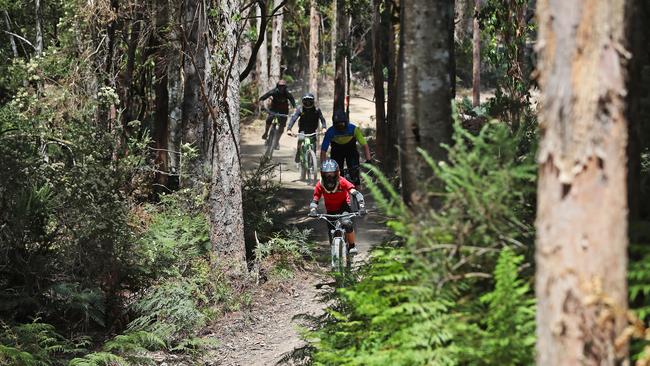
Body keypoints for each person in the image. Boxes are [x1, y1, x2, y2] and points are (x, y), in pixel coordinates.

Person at [309, 159, 366, 254]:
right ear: (322, 174)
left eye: (332, 174)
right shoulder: (320, 185)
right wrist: (313, 210)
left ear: (337, 173)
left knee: (347, 223)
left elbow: (355, 193)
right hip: (330, 210)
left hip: (344, 207)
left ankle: (352, 246)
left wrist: (362, 206)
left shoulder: (342, 181)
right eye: (327, 175)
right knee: (331, 232)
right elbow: (315, 199)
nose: (329, 177)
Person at [320, 110, 372, 186]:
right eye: (338, 124)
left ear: (346, 122)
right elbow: (323, 151)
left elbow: (365, 145)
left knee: (355, 175)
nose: (340, 126)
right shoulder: (330, 131)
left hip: (351, 152)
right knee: (336, 176)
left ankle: (358, 195)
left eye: (342, 123)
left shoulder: (353, 129)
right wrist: (323, 167)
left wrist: (369, 160)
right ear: (334, 124)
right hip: (337, 152)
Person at [287, 93, 327, 162]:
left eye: (309, 101)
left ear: (312, 101)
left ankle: (313, 160)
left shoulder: (317, 110)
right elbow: (293, 119)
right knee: (301, 139)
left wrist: (324, 128)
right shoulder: (300, 110)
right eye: (306, 101)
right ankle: (298, 152)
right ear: (303, 101)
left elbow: (322, 119)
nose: (308, 103)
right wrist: (289, 129)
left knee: (313, 144)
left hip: (313, 130)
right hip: (303, 129)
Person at [259, 79, 296, 149]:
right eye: (280, 86)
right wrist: (262, 105)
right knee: (269, 119)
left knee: (282, 127)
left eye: (283, 87)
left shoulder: (287, 93)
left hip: (284, 111)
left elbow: (293, 101)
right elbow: (262, 98)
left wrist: (294, 110)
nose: (281, 88)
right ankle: (266, 132)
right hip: (274, 109)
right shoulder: (273, 92)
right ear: (277, 86)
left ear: (285, 87)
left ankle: (276, 141)